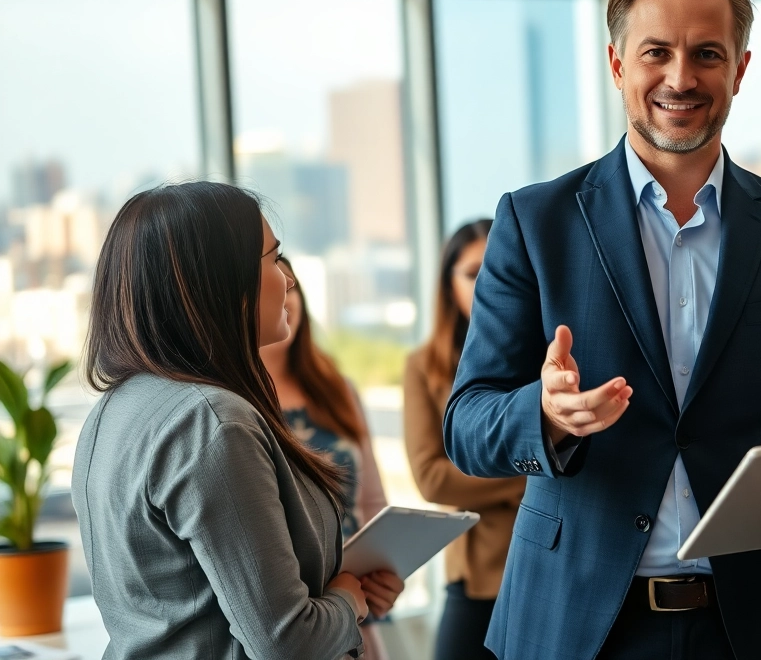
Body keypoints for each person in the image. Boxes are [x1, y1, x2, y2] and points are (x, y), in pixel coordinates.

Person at [443, 0, 761, 660]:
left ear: (739, 69)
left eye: (707, 53)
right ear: (619, 65)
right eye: (657, 52)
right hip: (576, 627)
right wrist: (547, 416)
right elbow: (467, 425)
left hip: (756, 629)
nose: (681, 78)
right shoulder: (535, 222)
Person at [71, 182, 404, 660]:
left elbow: (192, 593)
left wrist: (337, 589)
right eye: (273, 258)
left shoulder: (115, 408)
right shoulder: (212, 423)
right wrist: (348, 601)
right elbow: (285, 641)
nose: (287, 280)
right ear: (220, 281)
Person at [404, 219, 525, 660]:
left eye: (499, 267)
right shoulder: (425, 366)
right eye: (474, 273)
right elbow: (434, 478)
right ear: (447, 285)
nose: (489, 281)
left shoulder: (552, 355)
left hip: (555, 565)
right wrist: (533, 474)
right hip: (478, 576)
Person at [261, 257, 390, 660]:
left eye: (293, 285)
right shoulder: (234, 406)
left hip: (358, 605)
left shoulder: (337, 387)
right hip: (294, 616)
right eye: (276, 283)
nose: (287, 294)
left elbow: (371, 500)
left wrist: (384, 575)